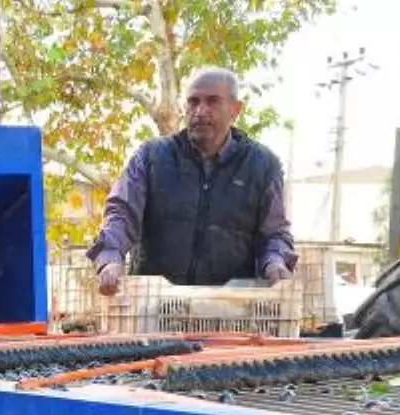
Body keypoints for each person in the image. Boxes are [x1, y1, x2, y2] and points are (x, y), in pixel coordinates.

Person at [87, 67, 297, 295]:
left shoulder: (263, 166)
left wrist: (275, 263)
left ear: (236, 109)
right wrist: (110, 257)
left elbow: (274, 234)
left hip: (230, 313)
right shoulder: (152, 157)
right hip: (153, 309)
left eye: (212, 101)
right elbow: (121, 212)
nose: (200, 111)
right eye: (193, 102)